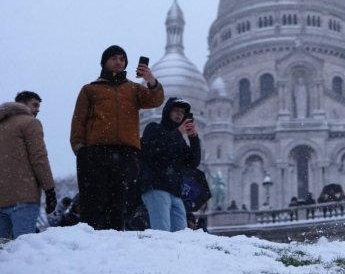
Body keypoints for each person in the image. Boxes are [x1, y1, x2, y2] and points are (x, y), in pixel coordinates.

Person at [70, 45, 164, 230]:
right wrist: (79, 148)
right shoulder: (90, 89)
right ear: (104, 62)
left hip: (126, 152)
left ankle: (116, 237)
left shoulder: (133, 89)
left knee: (120, 201)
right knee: (94, 199)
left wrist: (150, 79)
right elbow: (78, 120)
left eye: (122, 59)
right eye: (114, 58)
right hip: (96, 151)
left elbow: (155, 100)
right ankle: (92, 237)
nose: (118, 62)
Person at [0, 94, 56, 240]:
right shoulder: (30, 123)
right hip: (24, 198)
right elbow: (39, 158)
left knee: (3, 250)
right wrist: (49, 190)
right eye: (35, 105)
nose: (38, 110)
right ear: (22, 104)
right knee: (24, 247)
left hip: (2, 199)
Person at [140, 97, 201, 232]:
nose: (179, 114)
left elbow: (193, 162)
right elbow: (155, 151)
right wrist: (177, 133)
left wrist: (193, 138)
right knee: (162, 233)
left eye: (182, 112)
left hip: (175, 192)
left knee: (180, 236)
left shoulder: (179, 139)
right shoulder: (153, 128)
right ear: (168, 111)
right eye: (176, 110)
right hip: (156, 187)